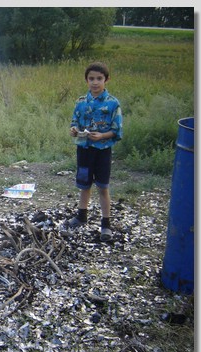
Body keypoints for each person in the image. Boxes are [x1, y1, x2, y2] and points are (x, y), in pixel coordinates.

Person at [67, 62, 123, 242]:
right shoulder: (81, 102)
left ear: (106, 80)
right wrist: (74, 130)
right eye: (91, 79)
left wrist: (102, 135)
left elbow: (117, 130)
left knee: (102, 187)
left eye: (99, 79)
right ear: (86, 80)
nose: (95, 83)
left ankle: (106, 224)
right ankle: (81, 215)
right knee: (84, 185)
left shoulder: (113, 103)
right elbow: (74, 122)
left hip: (102, 152)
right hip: (84, 150)